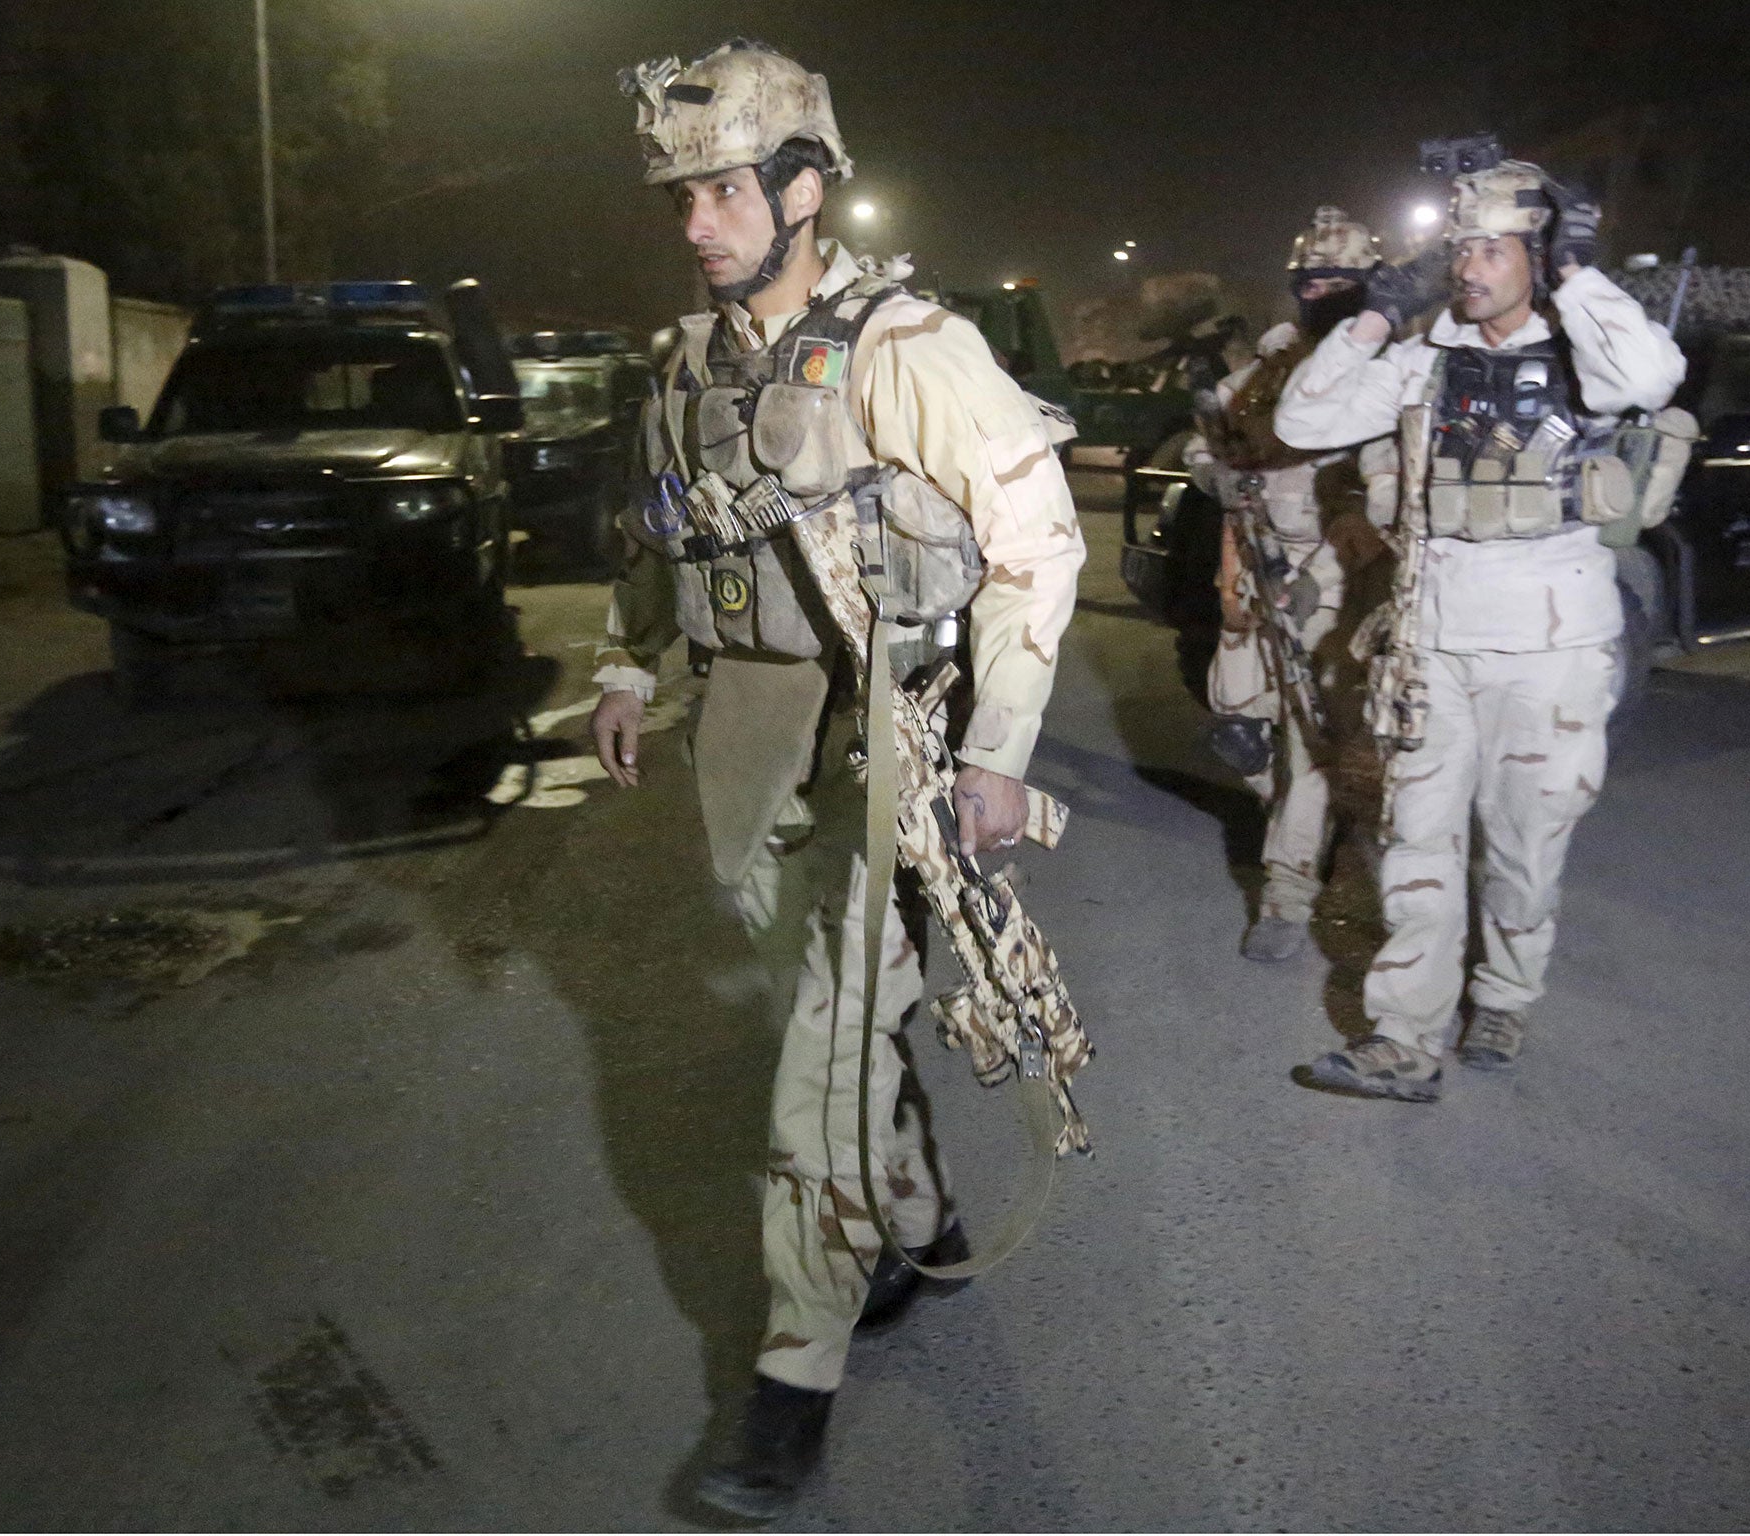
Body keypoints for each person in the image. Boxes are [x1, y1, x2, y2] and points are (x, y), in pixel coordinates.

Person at [591, 39, 1084, 1518]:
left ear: (808, 188)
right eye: (683, 196)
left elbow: (1034, 545)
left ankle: (790, 1383)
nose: (698, 224)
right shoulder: (687, 361)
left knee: (820, 1074)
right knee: (843, 1035)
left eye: (728, 191)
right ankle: (910, 1208)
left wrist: (996, 754)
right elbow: (658, 534)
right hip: (743, 755)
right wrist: (625, 667)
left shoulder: (906, 350)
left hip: (887, 755)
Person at [1274, 160, 1685, 1100]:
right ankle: (1403, 1039)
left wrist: (1580, 274)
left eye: (1494, 248)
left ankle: (1505, 991)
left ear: (1537, 257)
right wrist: (1377, 313)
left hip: (1551, 646)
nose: (1470, 266)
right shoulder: (1427, 359)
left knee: (1526, 844)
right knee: (1417, 837)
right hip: (1434, 641)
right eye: (1461, 248)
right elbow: (1305, 420)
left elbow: (1654, 375)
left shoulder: (1586, 354)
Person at [1187, 208, 1384, 961]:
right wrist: (1222, 476)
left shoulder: (1383, 372)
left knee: (1309, 741)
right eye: (1313, 280)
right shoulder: (1267, 369)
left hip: (1338, 572)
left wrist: (1322, 574)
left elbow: (1386, 500)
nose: (1325, 290)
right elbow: (1207, 453)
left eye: (1342, 280)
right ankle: (1317, 825)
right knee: (1237, 728)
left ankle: (1287, 896)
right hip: (1257, 562)